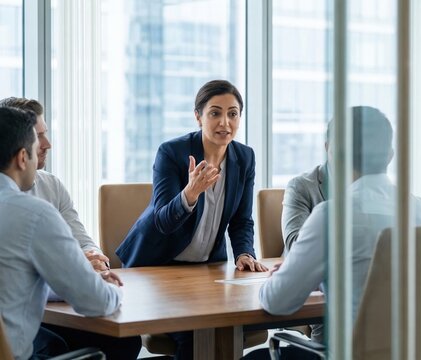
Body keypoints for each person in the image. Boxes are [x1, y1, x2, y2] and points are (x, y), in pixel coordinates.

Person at [247, 106, 421, 359]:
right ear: (390, 155)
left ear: (337, 153)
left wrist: (295, 275)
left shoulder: (332, 216)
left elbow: (276, 301)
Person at [116, 79, 268, 359]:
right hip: (157, 267)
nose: (225, 122)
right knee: (195, 335)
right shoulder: (171, 153)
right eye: (215, 113)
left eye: (233, 113)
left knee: (234, 326)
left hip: (206, 271)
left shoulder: (244, 157)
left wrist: (244, 252)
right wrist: (190, 193)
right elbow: (162, 221)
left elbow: (241, 220)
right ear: (198, 116)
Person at [0, 107, 128, 360]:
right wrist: (114, 289)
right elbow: (96, 302)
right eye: (37, 145)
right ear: (22, 158)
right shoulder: (34, 214)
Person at [0, 97, 110, 272]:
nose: (48, 144)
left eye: (46, 133)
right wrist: (75, 271)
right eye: (37, 137)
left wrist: (94, 259)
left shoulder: (52, 185)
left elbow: (83, 242)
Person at [281, 123, 330, 254]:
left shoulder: (371, 189)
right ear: (327, 147)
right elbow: (295, 244)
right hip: (306, 271)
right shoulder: (300, 186)